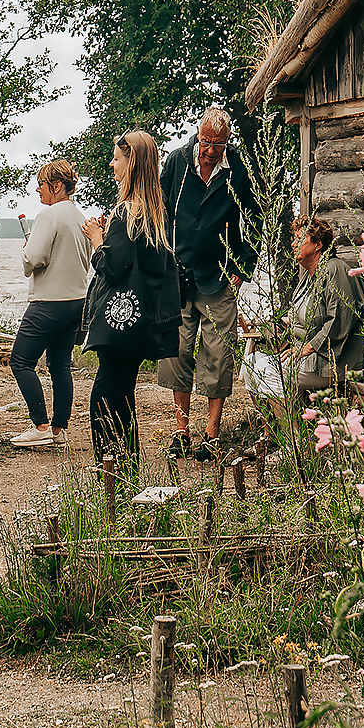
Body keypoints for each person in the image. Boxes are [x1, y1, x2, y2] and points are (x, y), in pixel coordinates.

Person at [157, 108, 259, 463]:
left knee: (218, 354)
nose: (211, 150)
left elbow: (256, 215)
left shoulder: (237, 169)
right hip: (177, 274)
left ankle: (212, 433)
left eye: (218, 144)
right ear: (196, 135)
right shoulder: (176, 162)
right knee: (178, 352)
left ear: (228, 141)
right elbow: (160, 208)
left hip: (219, 277)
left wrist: (244, 265)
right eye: (205, 142)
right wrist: (160, 259)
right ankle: (180, 430)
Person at [79, 131, 182, 472]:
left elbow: (111, 266)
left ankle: (119, 478)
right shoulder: (155, 210)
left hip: (119, 323)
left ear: (132, 162)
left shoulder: (128, 211)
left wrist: (97, 238)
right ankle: (121, 474)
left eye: (117, 158)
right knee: (111, 396)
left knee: (112, 402)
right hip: (140, 322)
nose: (112, 163)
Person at [9, 160, 91, 449]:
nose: (37, 189)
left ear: (56, 186)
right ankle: (59, 429)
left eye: (41, 184)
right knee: (59, 365)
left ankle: (40, 425)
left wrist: (26, 251)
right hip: (76, 301)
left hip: (48, 301)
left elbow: (34, 259)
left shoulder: (48, 215)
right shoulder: (80, 217)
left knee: (20, 361)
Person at [291, 218, 364, 394]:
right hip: (313, 355)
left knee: (270, 373)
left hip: (335, 361)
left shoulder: (334, 269)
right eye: (294, 239)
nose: (293, 244)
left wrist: (307, 347)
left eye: (299, 239)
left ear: (318, 245)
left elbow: (339, 322)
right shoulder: (308, 275)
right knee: (251, 363)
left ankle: (293, 421)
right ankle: (293, 419)